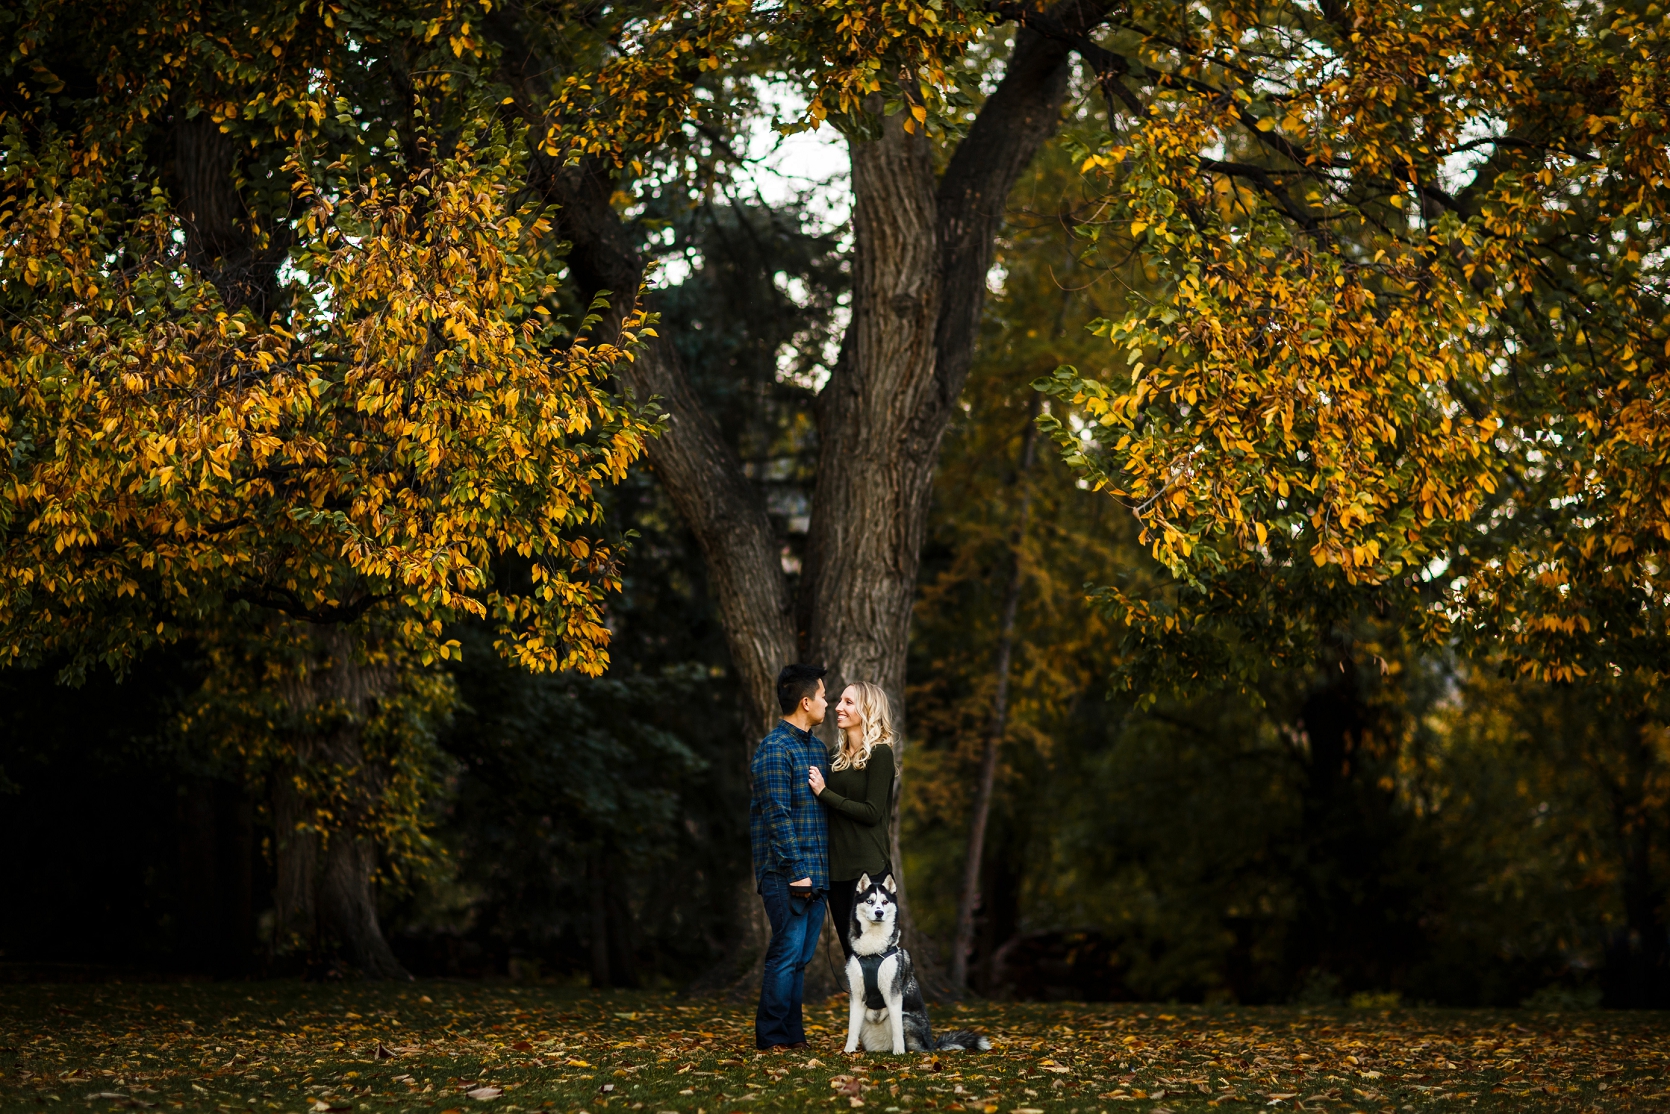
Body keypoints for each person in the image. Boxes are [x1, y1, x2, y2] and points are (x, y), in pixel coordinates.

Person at [749, 663, 830, 1051]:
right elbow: (776, 816)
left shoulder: (817, 748)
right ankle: (772, 1037)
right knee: (784, 955)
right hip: (786, 875)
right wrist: (797, 872)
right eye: (824, 696)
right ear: (805, 701)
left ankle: (793, 1036)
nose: (827, 703)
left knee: (800, 960)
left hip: (818, 874)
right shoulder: (773, 749)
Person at [808, 681, 896, 961]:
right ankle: (862, 1007)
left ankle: (891, 1007)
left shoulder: (881, 753)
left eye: (848, 702)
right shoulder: (834, 757)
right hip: (837, 871)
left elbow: (872, 812)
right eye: (839, 701)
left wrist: (825, 793)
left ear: (867, 709)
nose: (838, 708)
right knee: (853, 957)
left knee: (877, 959)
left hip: (869, 870)